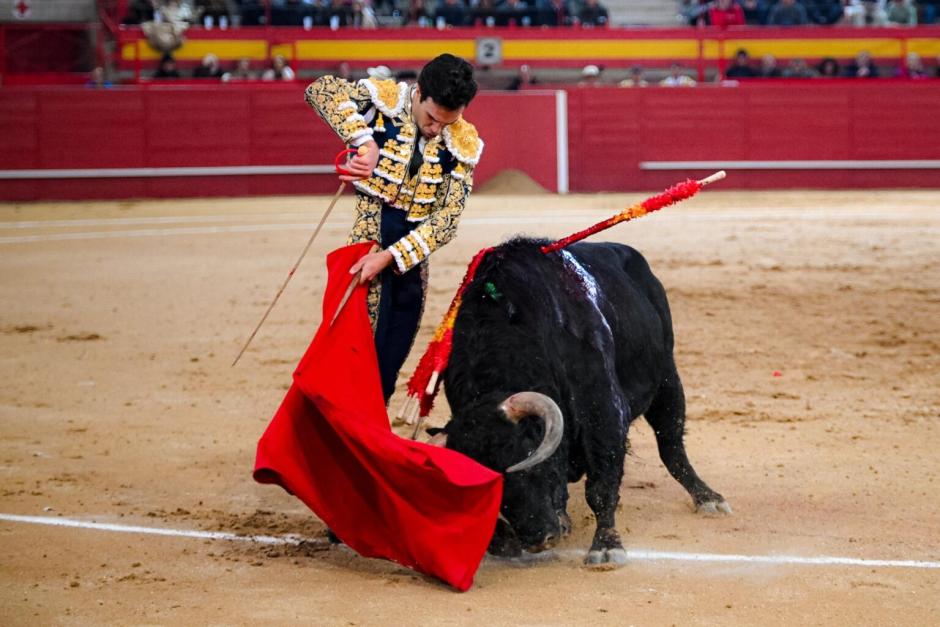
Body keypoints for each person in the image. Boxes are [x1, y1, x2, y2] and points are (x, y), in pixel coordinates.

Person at [305, 53, 482, 402]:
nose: (436, 130)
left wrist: (390, 257)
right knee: (353, 351)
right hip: (368, 241)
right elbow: (321, 90)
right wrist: (363, 141)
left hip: (410, 256)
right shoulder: (384, 102)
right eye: (432, 118)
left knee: (391, 354)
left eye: (447, 123)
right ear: (418, 93)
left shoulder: (463, 142)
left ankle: (371, 429)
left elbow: (446, 222)